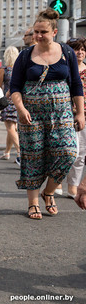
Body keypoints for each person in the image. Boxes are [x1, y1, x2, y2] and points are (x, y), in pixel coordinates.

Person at [10, 9, 84, 220]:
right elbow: (15, 87)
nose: (39, 36)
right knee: (33, 157)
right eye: (36, 32)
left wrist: (80, 113)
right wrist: (21, 109)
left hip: (62, 115)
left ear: (54, 32)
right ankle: (33, 202)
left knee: (69, 152)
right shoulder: (25, 55)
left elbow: (76, 85)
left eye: (43, 31)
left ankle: (49, 191)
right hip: (31, 115)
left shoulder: (67, 53)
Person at [64, 37, 86, 199]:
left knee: (80, 153)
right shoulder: (65, 69)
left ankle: (73, 186)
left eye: (83, 50)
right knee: (64, 151)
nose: (80, 52)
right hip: (64, 114)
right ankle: (56, 181)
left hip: (83, 115)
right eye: (77, 49)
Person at [0, 46, 20, 164]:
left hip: (7, 101)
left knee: (10, 128)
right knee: (12, 128)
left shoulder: (4, 70)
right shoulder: (20, 69)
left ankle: (20, 152)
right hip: (19, 101)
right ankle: (6, 152)